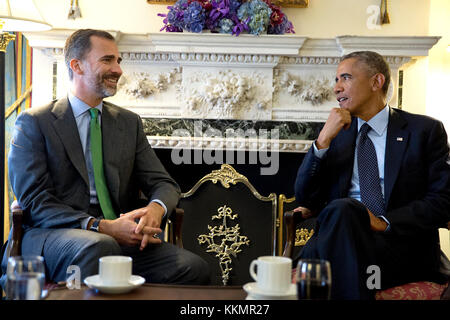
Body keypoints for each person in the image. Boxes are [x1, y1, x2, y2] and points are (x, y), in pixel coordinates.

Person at [1, 29, 210, 288]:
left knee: (194, 268)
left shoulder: (128, 123)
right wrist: (101, 226)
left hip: (121, 237)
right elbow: (35, 202)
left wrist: (155, 209)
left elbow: (164, 184)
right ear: (76, 66)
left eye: (118, 61)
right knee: (100, 246)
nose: (118, 70)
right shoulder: (34, 122)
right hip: (51, 235)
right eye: (107, 60)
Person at [294, 51, 450, 299]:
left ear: (376, 82)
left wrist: (385, 222)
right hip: (343, 240)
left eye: (345, 78)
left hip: (399, 249)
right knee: (344, 211)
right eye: (336, 80)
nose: (337, 88)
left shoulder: (425, 131)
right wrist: (322, 142)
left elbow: (442, 201)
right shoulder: (334, 134)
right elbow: (305, 198)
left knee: (341, 218)